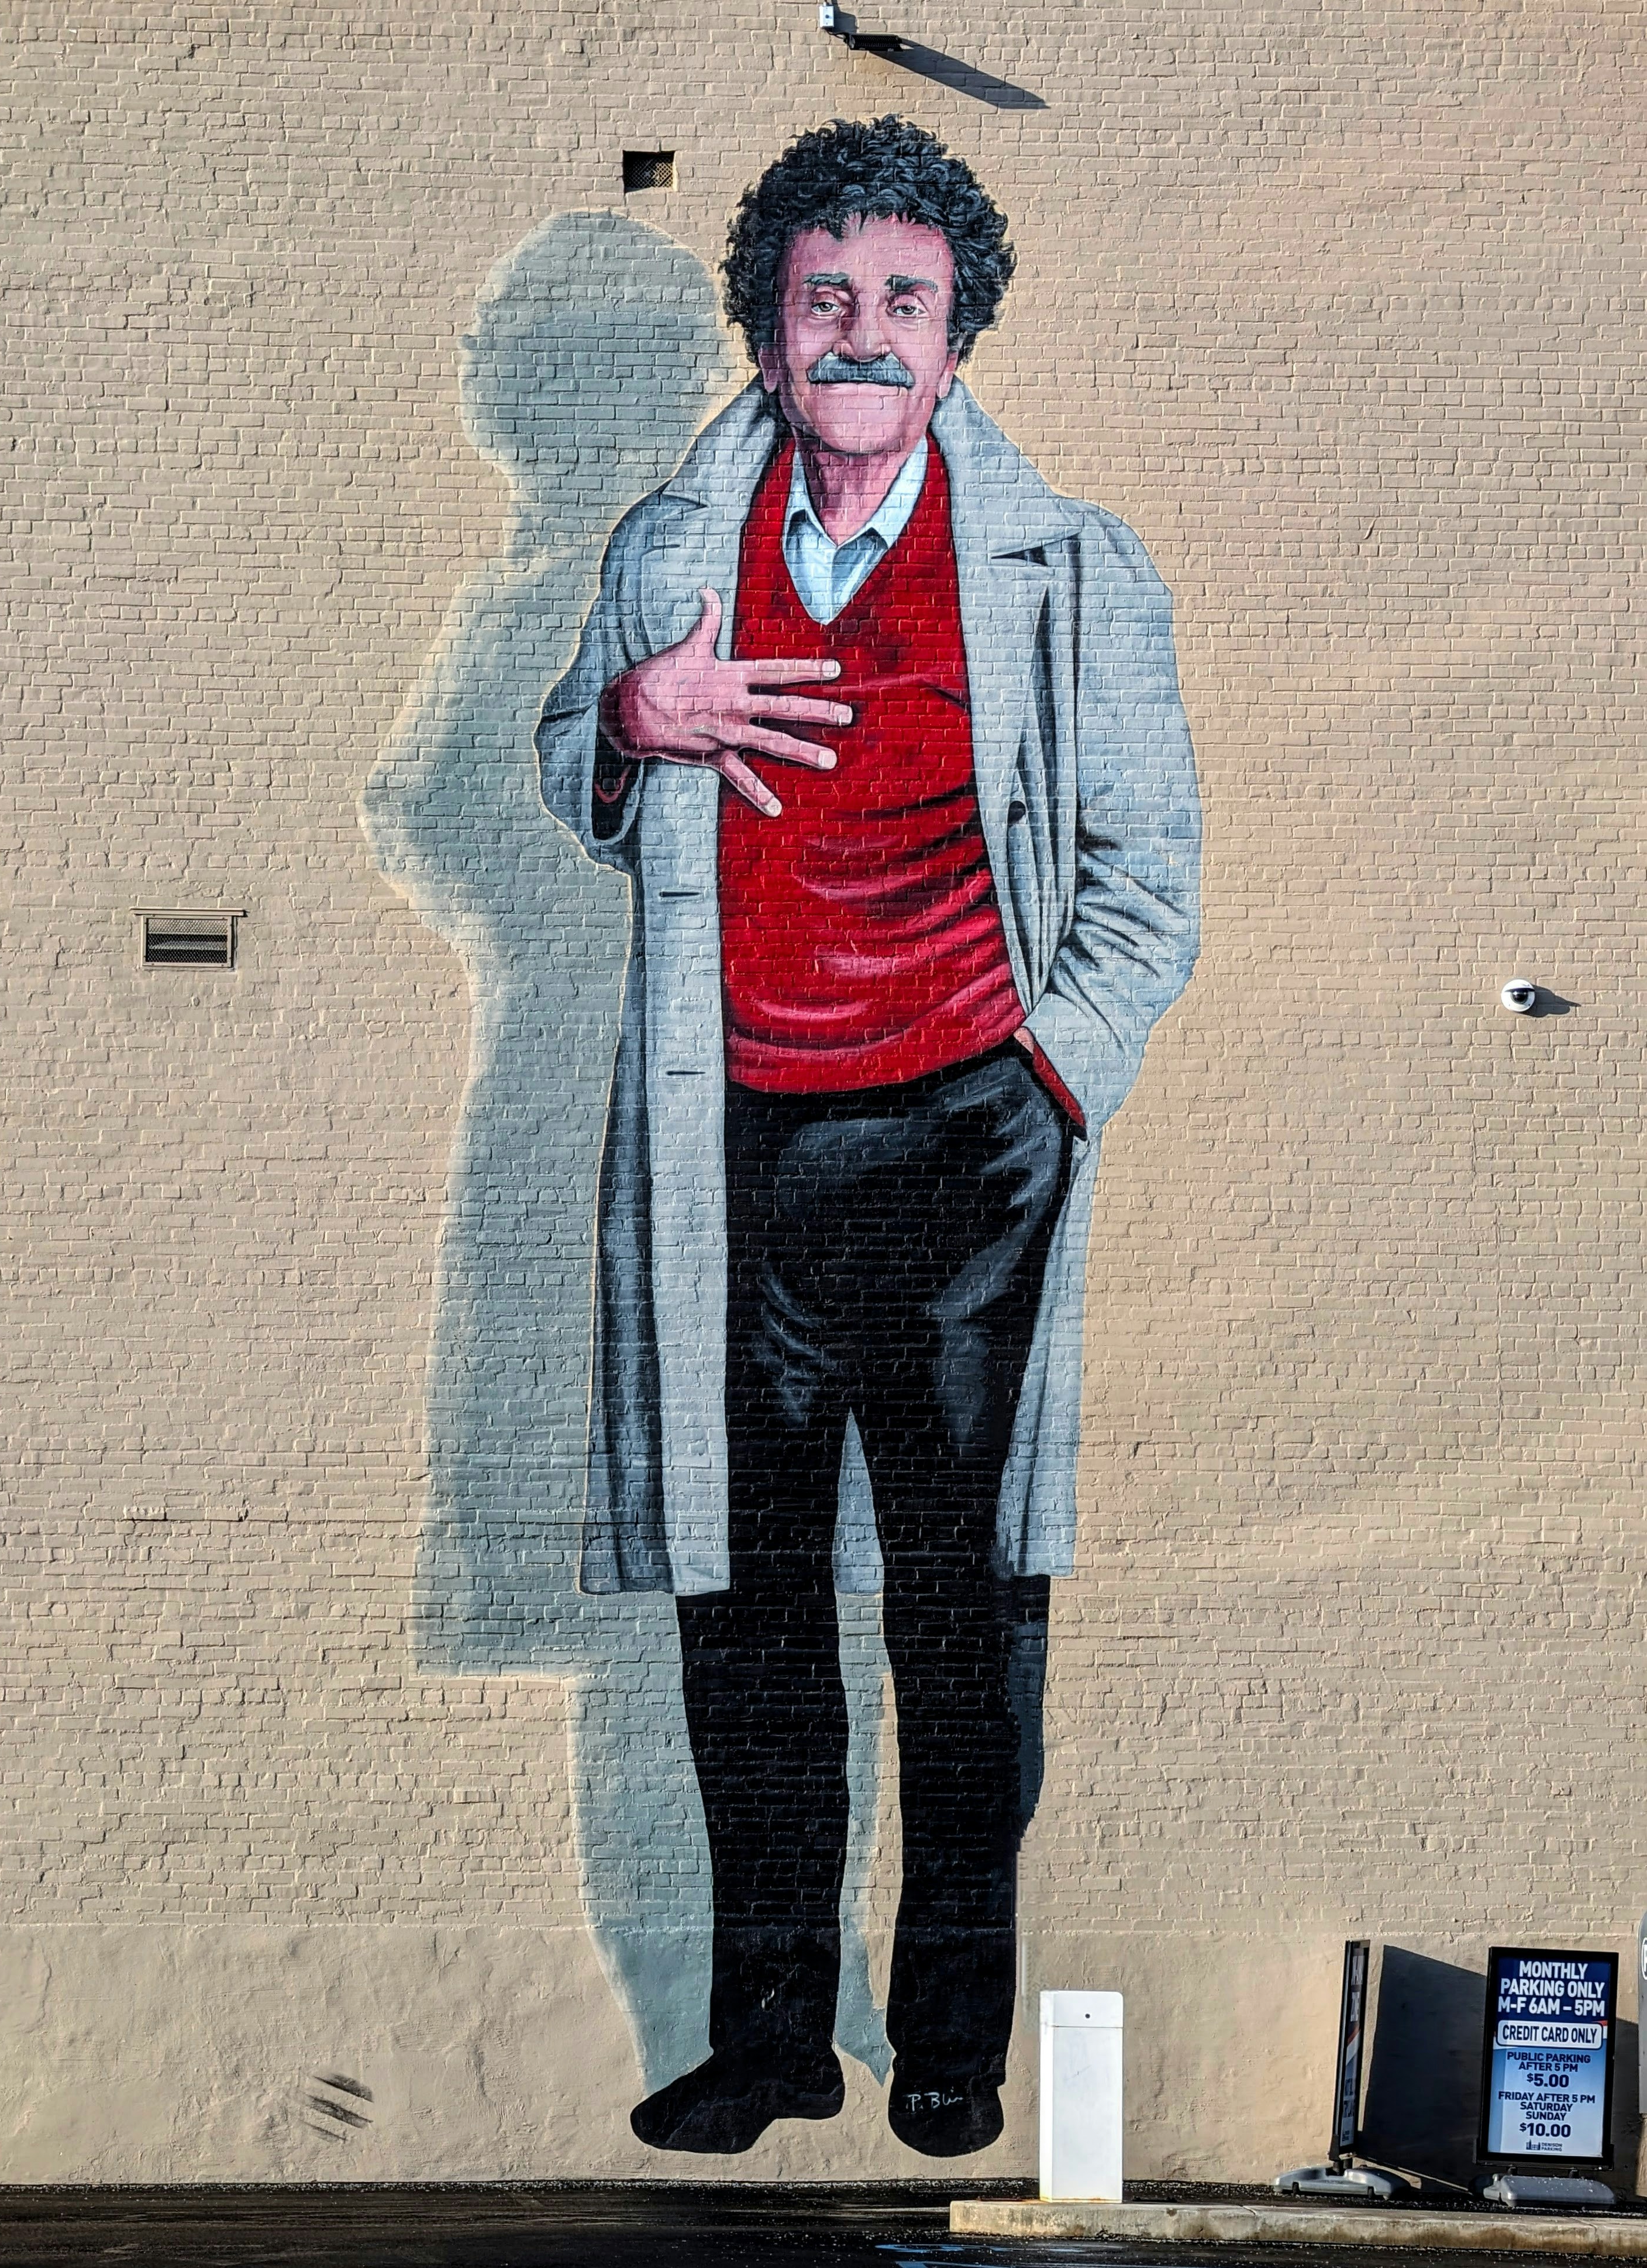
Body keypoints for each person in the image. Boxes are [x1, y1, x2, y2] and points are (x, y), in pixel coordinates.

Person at [537, 115, 1201, 2158]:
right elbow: (564, 759)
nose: (862, 334)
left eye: (904, 302)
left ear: (957, 340)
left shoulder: (1070, 571)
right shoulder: (670, 550)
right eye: (824, 297)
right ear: (766, 330)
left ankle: (948, 2044)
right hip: (737, 1160)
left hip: (970, 1156)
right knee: (746, 1626)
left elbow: (1149, 885)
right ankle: (765, 2042)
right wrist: (631, 724)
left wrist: (1045, 1089)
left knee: (964, 1625)